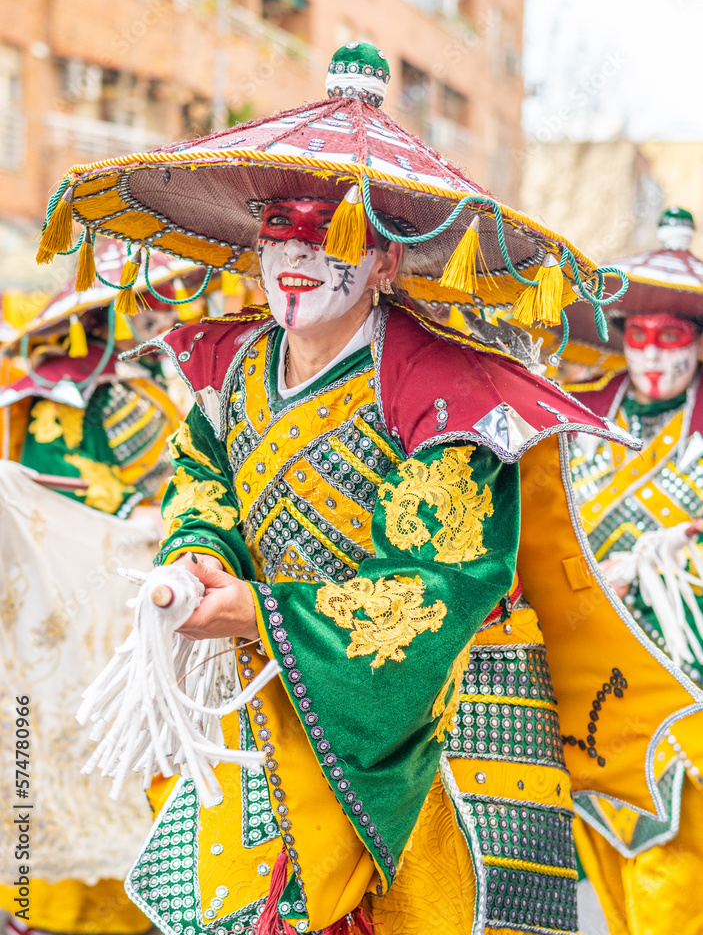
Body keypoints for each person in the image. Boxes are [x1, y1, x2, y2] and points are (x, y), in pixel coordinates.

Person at [38, 45, 703, 935]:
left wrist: (258, 615)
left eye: (331, 232)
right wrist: (196, 555)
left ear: (387, 264)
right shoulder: (231, 367)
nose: (297, 256)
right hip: (278, 693)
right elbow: (206, 479)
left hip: (446, 720)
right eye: (279, 228)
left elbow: (442, 584)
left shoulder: (452, 391)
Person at [0, 241, 204, 935]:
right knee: (91, 732)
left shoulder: (50, 384)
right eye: (154, 297)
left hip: (97, 589)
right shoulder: (94, 392)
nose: (165, 312)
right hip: (97, 588)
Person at [565, 206, 703, 935]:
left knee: (674, 862)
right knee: (604, 853)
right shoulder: (577, 416)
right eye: (639, 337)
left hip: (681, 677)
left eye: (671, 337)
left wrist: (665, 563)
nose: (651, 355)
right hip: (584, 671)